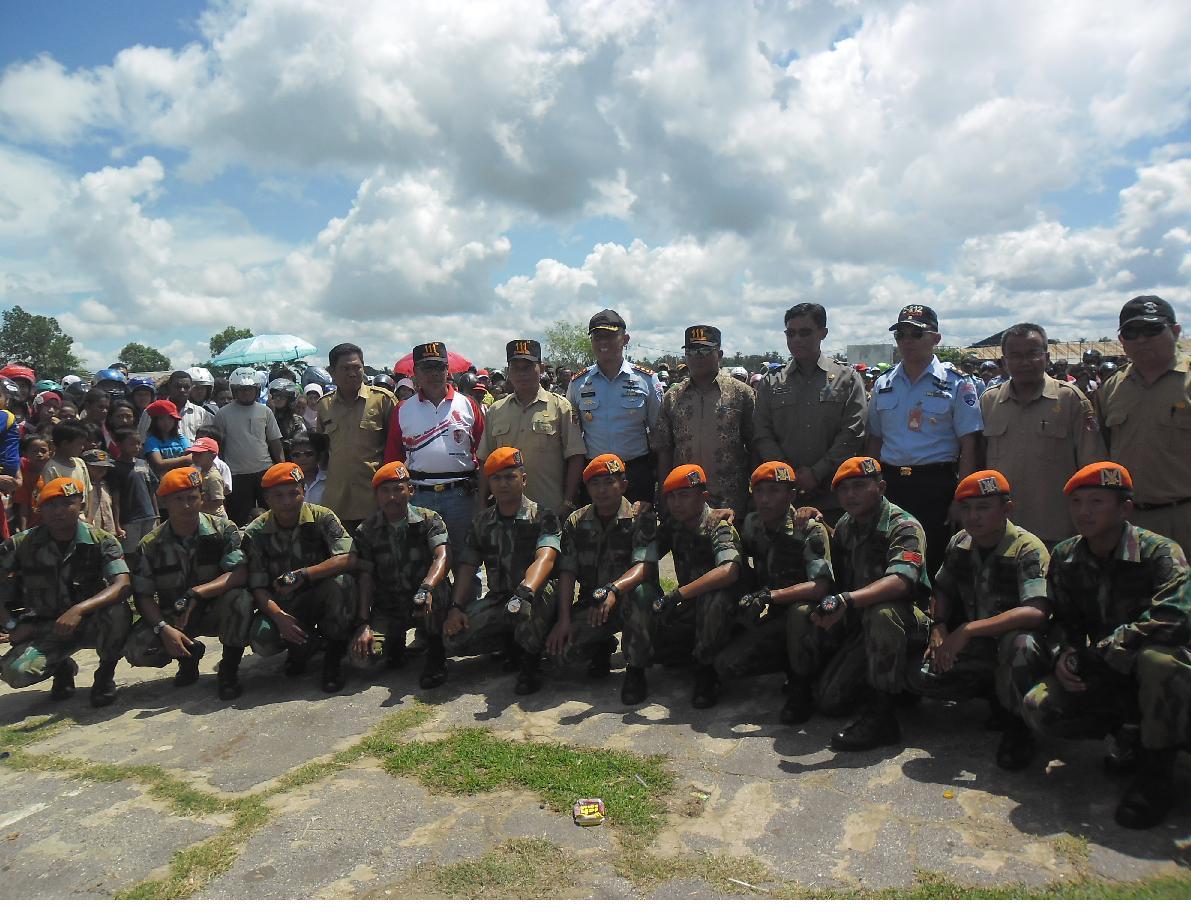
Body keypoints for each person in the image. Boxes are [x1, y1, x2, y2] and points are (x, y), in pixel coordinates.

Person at [1021, 462, 1191, 829]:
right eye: (1077, 502)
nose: (1085, 511)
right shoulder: (1066, 556)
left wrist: (1101, 651)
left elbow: (1175, 617)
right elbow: (1063, 621)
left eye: (1097, 501)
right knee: (1040, 706)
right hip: (1106, 671)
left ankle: (1156, 774)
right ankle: (1127, 734)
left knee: (1158, 662)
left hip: (1159, 674)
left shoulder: (1160, 553)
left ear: (1125, 508)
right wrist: (1064, 655)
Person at [907, 470, 1052, 770]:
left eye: (983, 508)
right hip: (981, 647)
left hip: (1022, 650)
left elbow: (1036, 611)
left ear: (1007, 509)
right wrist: (939, 625)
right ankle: (995, 695)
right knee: (919, 675)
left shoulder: (1028, 549)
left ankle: (1018, 729)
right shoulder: (961, 542)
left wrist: (968, 629)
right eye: (966, 508)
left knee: (1020, 643)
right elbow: (943, 587)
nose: (973, 517)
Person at [785, 457, 931, 750]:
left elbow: (901, 581)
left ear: (881, 487)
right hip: (862, 623)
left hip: (907, 625)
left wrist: (846, 600)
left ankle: (883, 717)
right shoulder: (847, 525)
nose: (851, 495)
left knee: (883, 612)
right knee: (828, 701)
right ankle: (888, 685)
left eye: (860, 486)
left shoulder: (904, 526)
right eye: (844, 489)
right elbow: (838, 567)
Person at [866, 305, 982, 571]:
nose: (906, 341)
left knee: (935, 561)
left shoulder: (957, 383)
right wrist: (870, 486)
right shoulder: (884, 383)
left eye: (916, 334)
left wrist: (960, 497)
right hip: (891, 483)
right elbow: (874, 440)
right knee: (890, 558)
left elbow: (969, 445)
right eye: (900, 335)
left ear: (935, 338)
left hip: (936, 486)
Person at [711, 462, 833, 714]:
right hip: (776, 615)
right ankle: (791, 661)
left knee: (800, 613)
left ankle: (802, 684)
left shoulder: (809, 527)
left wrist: (770, 596)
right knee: (726, 665)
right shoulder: (753, 523)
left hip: (814, 616)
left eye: (774, 491)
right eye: (759, 492)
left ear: (791, 495)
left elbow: (820, 586)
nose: (765, 499)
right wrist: (725, 517)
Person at [0, 477, 133, 706]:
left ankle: (105, 675)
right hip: (44, 627)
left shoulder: (101, 541)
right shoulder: (20, 544)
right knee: (15, 672)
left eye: (67, 503)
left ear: (80, 505)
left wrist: (79, 610)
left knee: (118, 611)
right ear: (39, 509)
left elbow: (122, 584)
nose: (59, 511)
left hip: (93, 622)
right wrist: (11, 625)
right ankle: (61, 668)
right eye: (51, 505)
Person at [123, 467, 254, 699]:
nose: (186, 505)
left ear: (202, 498)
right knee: (137, 650)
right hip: (175, 615)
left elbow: (240, 573)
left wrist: (198, 592)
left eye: (192, 498)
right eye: (178, 499)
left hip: (215, 609)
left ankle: (229, 669)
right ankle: (188, 655)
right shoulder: (150, 544)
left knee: (240, 599)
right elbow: (143, 595)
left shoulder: (223, 529)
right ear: (165, 502)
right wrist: (163, 629)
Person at [438, 448, 561, 695]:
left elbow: (546, 557)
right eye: (496, 478)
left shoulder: (544, 516)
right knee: (453, 638)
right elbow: (468, 565)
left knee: (531, 605)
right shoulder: (481, 522)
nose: (503, 484)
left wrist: (525, 592)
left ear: (523, 480)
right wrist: (456, 607)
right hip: (500, 599)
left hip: (534, 596)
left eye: (510, 477)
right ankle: (511, 643)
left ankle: (530, 662)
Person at [623, 464, 744, 708]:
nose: (677, 503)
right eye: (672, 497)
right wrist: (644, 520)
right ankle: (635, 670)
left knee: (715, 596)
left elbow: (729, 572)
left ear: (703, 497)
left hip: (726, 611)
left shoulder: (718, 525)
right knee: (642, 594)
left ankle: (706, 671)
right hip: (689, 611)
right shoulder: (673, 526)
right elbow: (645, 558)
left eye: (685, 495)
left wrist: (678, 594)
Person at [981, 323, 1106, 546]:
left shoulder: (1070, 399)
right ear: (1004, 361)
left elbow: (1092, 467)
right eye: (1016, 355)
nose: (1025, 362)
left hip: (1056, 530)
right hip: (1001, 531)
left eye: (1033, 354)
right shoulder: (989, 401)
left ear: (1047, 357)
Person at [242, 462, 356, 693]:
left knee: (342, 583)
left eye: (294, 493)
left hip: (320, 595)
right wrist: (279, 617)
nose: (287, 502)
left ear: (304, 491)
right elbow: (256, 585)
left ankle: (333, 661)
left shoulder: (322, 517)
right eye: (278, 495)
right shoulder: (256, 532)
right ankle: (306, 646)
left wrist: (304, 575)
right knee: (262, 640)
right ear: (267, 499)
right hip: (284, 603)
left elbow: (348, 557)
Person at [753, 303, 867, 525]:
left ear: (823, 333)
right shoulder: (771, 381)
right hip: (783, 498)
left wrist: (817, 473)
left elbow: (853, 432)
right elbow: (762, 432)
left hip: (836, 497)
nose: (796, 339)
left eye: (805, 332)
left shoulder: (847, 378)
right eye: (791, 333)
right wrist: (788, 475)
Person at [385, 342, 484, 594]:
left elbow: (483, 454)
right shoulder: (402, 410)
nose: (433, 374)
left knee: (466, 560)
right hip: (419, 497)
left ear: (447, 370)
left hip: (461, 495)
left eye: (439, 367)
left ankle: (466, 615)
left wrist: (483, 499)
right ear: (415, 373)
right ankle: (430, 622)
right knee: (422, 563)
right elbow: (393, 460)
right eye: (426, 368)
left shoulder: (468, 405)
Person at [1096, 295, 1191, 555]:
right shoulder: (1112, 388)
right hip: (1129, 520)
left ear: (1175, 331)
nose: (1141, 339)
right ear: (1121, 340)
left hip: (1183, 515)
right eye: (1132, 332)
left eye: (1152, 329)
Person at [545, 454, 652, 679]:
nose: (601, 490)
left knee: (642, 595)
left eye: (608, 483)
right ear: (587, 488)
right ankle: (601, 646)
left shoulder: (640, 518)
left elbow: (644, 566)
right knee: (560, 654)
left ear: (623, 485)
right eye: (595, 484)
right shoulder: (576, 521)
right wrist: (564, 620)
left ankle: (636, 669)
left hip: (629, 601)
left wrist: (613, 590)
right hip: (592, 604)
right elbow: (567, 571)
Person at [349, 461, 452, 685]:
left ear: (410, 491)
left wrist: (426, 588)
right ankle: (395, 643)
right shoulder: (366, 531)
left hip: (424, 601)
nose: (392, 497)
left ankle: (436, 656)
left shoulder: (429, 520)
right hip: (390, 606)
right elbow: (365, 578)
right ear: (376, 495)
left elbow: (441, 556)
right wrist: (363, 623)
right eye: (385, 491)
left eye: (398, 489)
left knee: (439, 589)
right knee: (363, 658)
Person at [653, 325, 756, 520]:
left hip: (730, 502)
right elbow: (664, 450)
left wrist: (756, 495)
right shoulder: (673, 397)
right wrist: (665, 496)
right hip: (684, 501)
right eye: (692, 351)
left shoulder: (741, 394)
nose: (698, 356)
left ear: (720, 354)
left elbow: (754, 446)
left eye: (705, 350)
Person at [476, 339, 586, 516]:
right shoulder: (496, 410)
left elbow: (575, 457)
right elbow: (484, 460)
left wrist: (568, 502)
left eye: (527, 367)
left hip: (549, 508)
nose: (521, 374)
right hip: (505, 512)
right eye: (515, 368)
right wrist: (482, 502)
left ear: (541, 368)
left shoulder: (561, 407)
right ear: (508, 371)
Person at [567, 309, 664, 505]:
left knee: (637, 532)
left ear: (625, 339)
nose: (603, 342)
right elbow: (573, 437)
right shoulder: (578, 383)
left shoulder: (646, 380)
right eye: (597, 337)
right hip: (595, 474)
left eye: (610, 336)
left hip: (635, 473)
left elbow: (660, 436)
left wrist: (661, 487)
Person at [314, 343, 395, 533]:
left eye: (357, 367)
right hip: (337, 500)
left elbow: (396, 447)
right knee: (341, 558)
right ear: (332, 372)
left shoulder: (383, 400)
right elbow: (321, 452)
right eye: (345, 368)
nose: (352, 373)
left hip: (375, 499)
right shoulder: (324, 405)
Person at [213, 367, 284, 526]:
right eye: (242, 389)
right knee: (240, 518)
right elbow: (219, 446)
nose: (246, 393)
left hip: (265, 471)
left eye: (250, 389)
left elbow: (275, 441)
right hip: (237, 475)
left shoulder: (265, 411)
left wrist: (281, 467)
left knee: (273, 514)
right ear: (234, 391)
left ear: (257, 390)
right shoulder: (222, 414)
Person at [110, 428, 160, 554]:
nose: (136, 447)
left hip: (149, 516)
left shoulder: (143, 464)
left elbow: (152, 491)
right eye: (132, 444)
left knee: (149, 550)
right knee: (130, 552)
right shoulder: (116, 468)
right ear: (119, 445)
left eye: (138, 443)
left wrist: (157, 514)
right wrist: (117, 525)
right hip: (129, 519)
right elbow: (115, 500)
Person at [137, 371, 213, 443]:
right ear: (169, 387)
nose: (182, 390)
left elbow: (207, 442)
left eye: (186, 387)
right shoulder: (151, 411)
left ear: (191, 388)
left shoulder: (201, 413)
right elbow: (142, 439)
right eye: (178, 386)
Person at [40, 421, 92, 511]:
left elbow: (89, 490)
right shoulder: (51, 469)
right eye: (79, 444)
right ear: (64, 444)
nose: (82, 448)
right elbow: (52, 499)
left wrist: (90, 517)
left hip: (85, 518)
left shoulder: (80, 463)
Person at [143, 400, 193, 476]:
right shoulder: (151, 441)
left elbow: (191, 458)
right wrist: (184, 459)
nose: (166, 422)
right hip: (164, 482)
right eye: (161, 418)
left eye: (170, 418)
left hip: (184, 478)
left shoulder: (180, 438)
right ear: (155, 421)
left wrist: (167, 463)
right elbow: (158, 463)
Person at [266, 378, 308, 459]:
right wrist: (271, 414)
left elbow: (300, 442)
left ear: (289, 400)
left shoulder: (296, 420)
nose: (277, 399)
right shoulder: (263, 417)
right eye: (275, 395)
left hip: (290, 460)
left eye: (282, 396)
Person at [188, 437, 228, 518]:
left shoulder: (213, 477)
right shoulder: (197, 472)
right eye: (193, 454)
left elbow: (218, 502)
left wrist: (196, 505)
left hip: (215, 518)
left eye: (199, 454)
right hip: (203, 515)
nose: (194, 457)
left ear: (212, 456)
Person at [83, 448, 120, 536]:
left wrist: (117, 527)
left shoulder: (107, 485)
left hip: (109, 531)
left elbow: (114, 506)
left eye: (104, 467)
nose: (101, 469)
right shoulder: (84, 486)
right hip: (91, 531)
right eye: (96, 467)